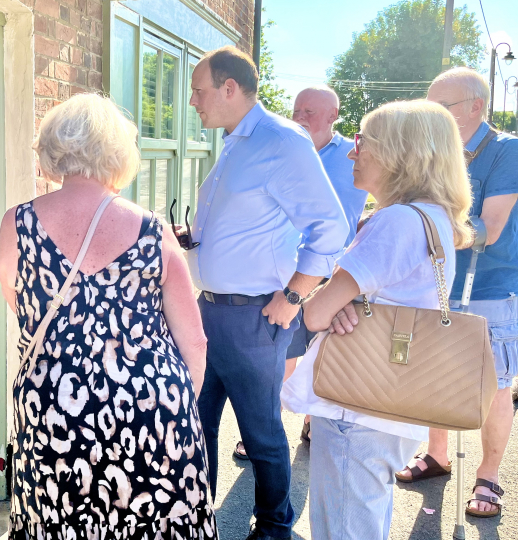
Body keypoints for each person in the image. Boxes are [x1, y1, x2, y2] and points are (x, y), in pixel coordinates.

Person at [0, 94, 218, 539]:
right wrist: (165, 403)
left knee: (60, 521)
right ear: (119, 153)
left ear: (54, 149)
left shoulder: (17, 223)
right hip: (150, 405)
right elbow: (194, 342)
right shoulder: (154, 231)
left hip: (53, 405)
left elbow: (20, 305)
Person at [281, 99, 473, 540]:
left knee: (344, 530)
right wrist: (350, 303)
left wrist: (333, 305)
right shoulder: (432, 217)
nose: (352, 151)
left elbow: (314, 313)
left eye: (363, 141)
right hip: (391, 404)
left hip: (358, 408)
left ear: (398, 152)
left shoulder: (396, 221)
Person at [187, 46, 348, 540]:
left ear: (229, 88)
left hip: (255, 316)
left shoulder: (281, 140)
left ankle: (275, 526)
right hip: (207, 313)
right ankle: (195, 516)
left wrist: (294, 296)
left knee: (260, 433)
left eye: (198, 90)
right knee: (196, 424)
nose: (193, 101)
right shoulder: (237, 141)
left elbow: (331, 227)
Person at [394, 67, 518, 518]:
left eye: (441, 106)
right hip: (434, 282)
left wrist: (420, 230)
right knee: (435, 374)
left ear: (474, 106)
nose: (432, 115)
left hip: (491, 286)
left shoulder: (506, 149)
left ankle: (488, 477)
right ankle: (437, 455)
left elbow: (489, 228)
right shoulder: (434, 151)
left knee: (496, 385)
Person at [233, 86, 368, 459]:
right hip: (293, 270)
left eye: (309, 111)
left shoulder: (352, 156)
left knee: (327, 350)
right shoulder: (285, 148)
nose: (299, 117)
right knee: (286, 351)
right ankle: (267, 423)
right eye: (296, 109)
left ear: (333, 116)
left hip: (339, 272)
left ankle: (313, 419)